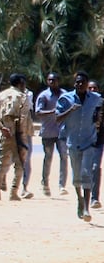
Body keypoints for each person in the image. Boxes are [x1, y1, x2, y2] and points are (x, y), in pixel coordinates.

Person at [56, 71, 102, 222]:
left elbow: (101, 106)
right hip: (73, 142)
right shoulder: (65, 99)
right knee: (76, 177)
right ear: (74, 83)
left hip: (89, 142)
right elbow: (57, 118)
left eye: (83, 82)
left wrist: (98, 118)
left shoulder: (95, 98)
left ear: (87, 84)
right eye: (77, 82)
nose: (80, 85)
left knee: (86, 173)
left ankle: (87, 208)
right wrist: (70, 110)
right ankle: (80, 200)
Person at [0, 73, 30, 201]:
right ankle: (14, 192)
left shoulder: (1, 95)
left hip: (6, 132)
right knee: (19, 164)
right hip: (19, 133)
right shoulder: (22, 96)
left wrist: (2, 127)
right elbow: (24, 117)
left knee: (2, 163)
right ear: (20, 83)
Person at [35, 72, 69, 196]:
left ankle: (62, 186)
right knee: (48, 158)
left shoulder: (65, 95)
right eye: (49, 80)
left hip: (62, 132)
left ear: (58, 81)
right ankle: (45, 184)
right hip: (48, 132)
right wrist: (52, 112)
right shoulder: (43, 96)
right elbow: (38, 112)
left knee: (64, 157)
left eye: (53, 80)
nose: (51, 82)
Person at [88, 80, 103, 209]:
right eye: (90, 88)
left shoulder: (102, 104)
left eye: (95, 88)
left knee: (95, 167)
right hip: (83, 142)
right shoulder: (82, 104)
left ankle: (94, 198)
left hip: (98, 142)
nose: (92, 90)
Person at [21, 88, 35, 199]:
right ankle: (2, 181)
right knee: (9, 158)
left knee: (26, 160)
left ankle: (24, 187)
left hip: (26, 131)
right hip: (13, 131)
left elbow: (29, 105)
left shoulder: (28, 94)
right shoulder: (7, 95)